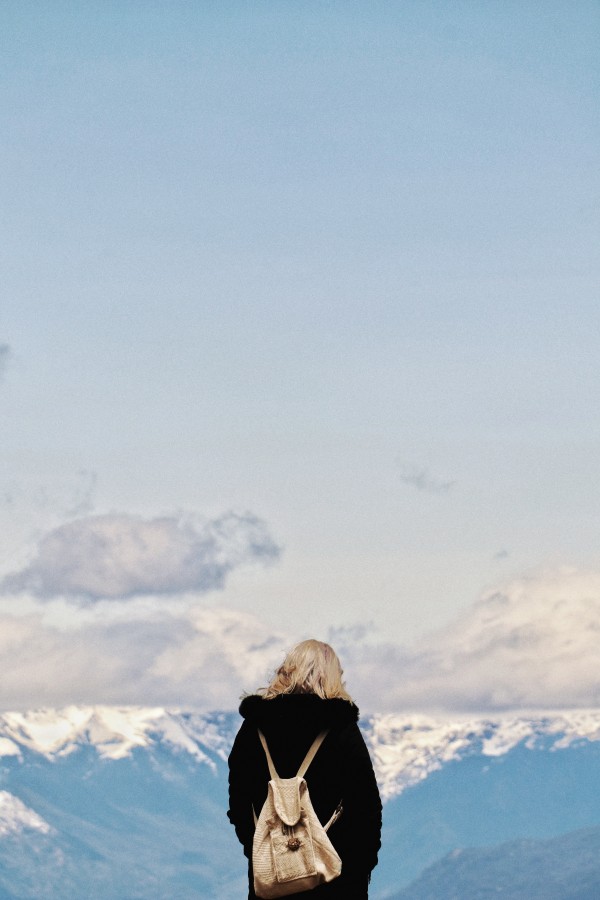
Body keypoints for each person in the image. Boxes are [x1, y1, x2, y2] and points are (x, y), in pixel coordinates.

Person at [227, 639, 382, 899]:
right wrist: (359, 868)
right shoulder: (341, 727)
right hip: (335, 876)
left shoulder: (253, 728)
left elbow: (239, 802)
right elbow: (366, 806)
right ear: (331, 676)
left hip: (272, 875)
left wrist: (259, 850)